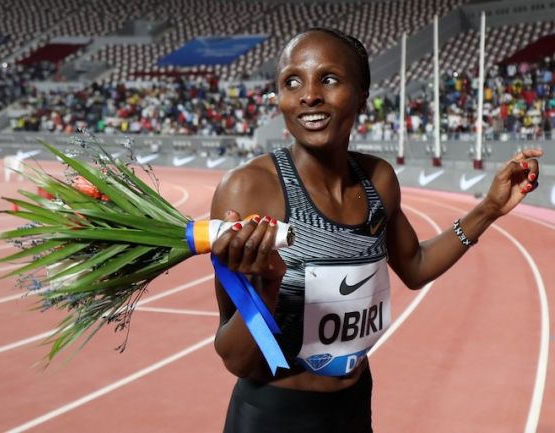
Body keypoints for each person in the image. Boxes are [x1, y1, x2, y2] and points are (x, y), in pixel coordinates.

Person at [209, 27, 542, 433]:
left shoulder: (377, 180)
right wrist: (268, 287)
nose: (308, 94)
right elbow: (236, 359)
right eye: (291, 82)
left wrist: (488, 209)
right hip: (272, 414)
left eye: (328, 79)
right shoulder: (250, 188)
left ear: (363, 94)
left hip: (353, 407)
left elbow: (415, 266)